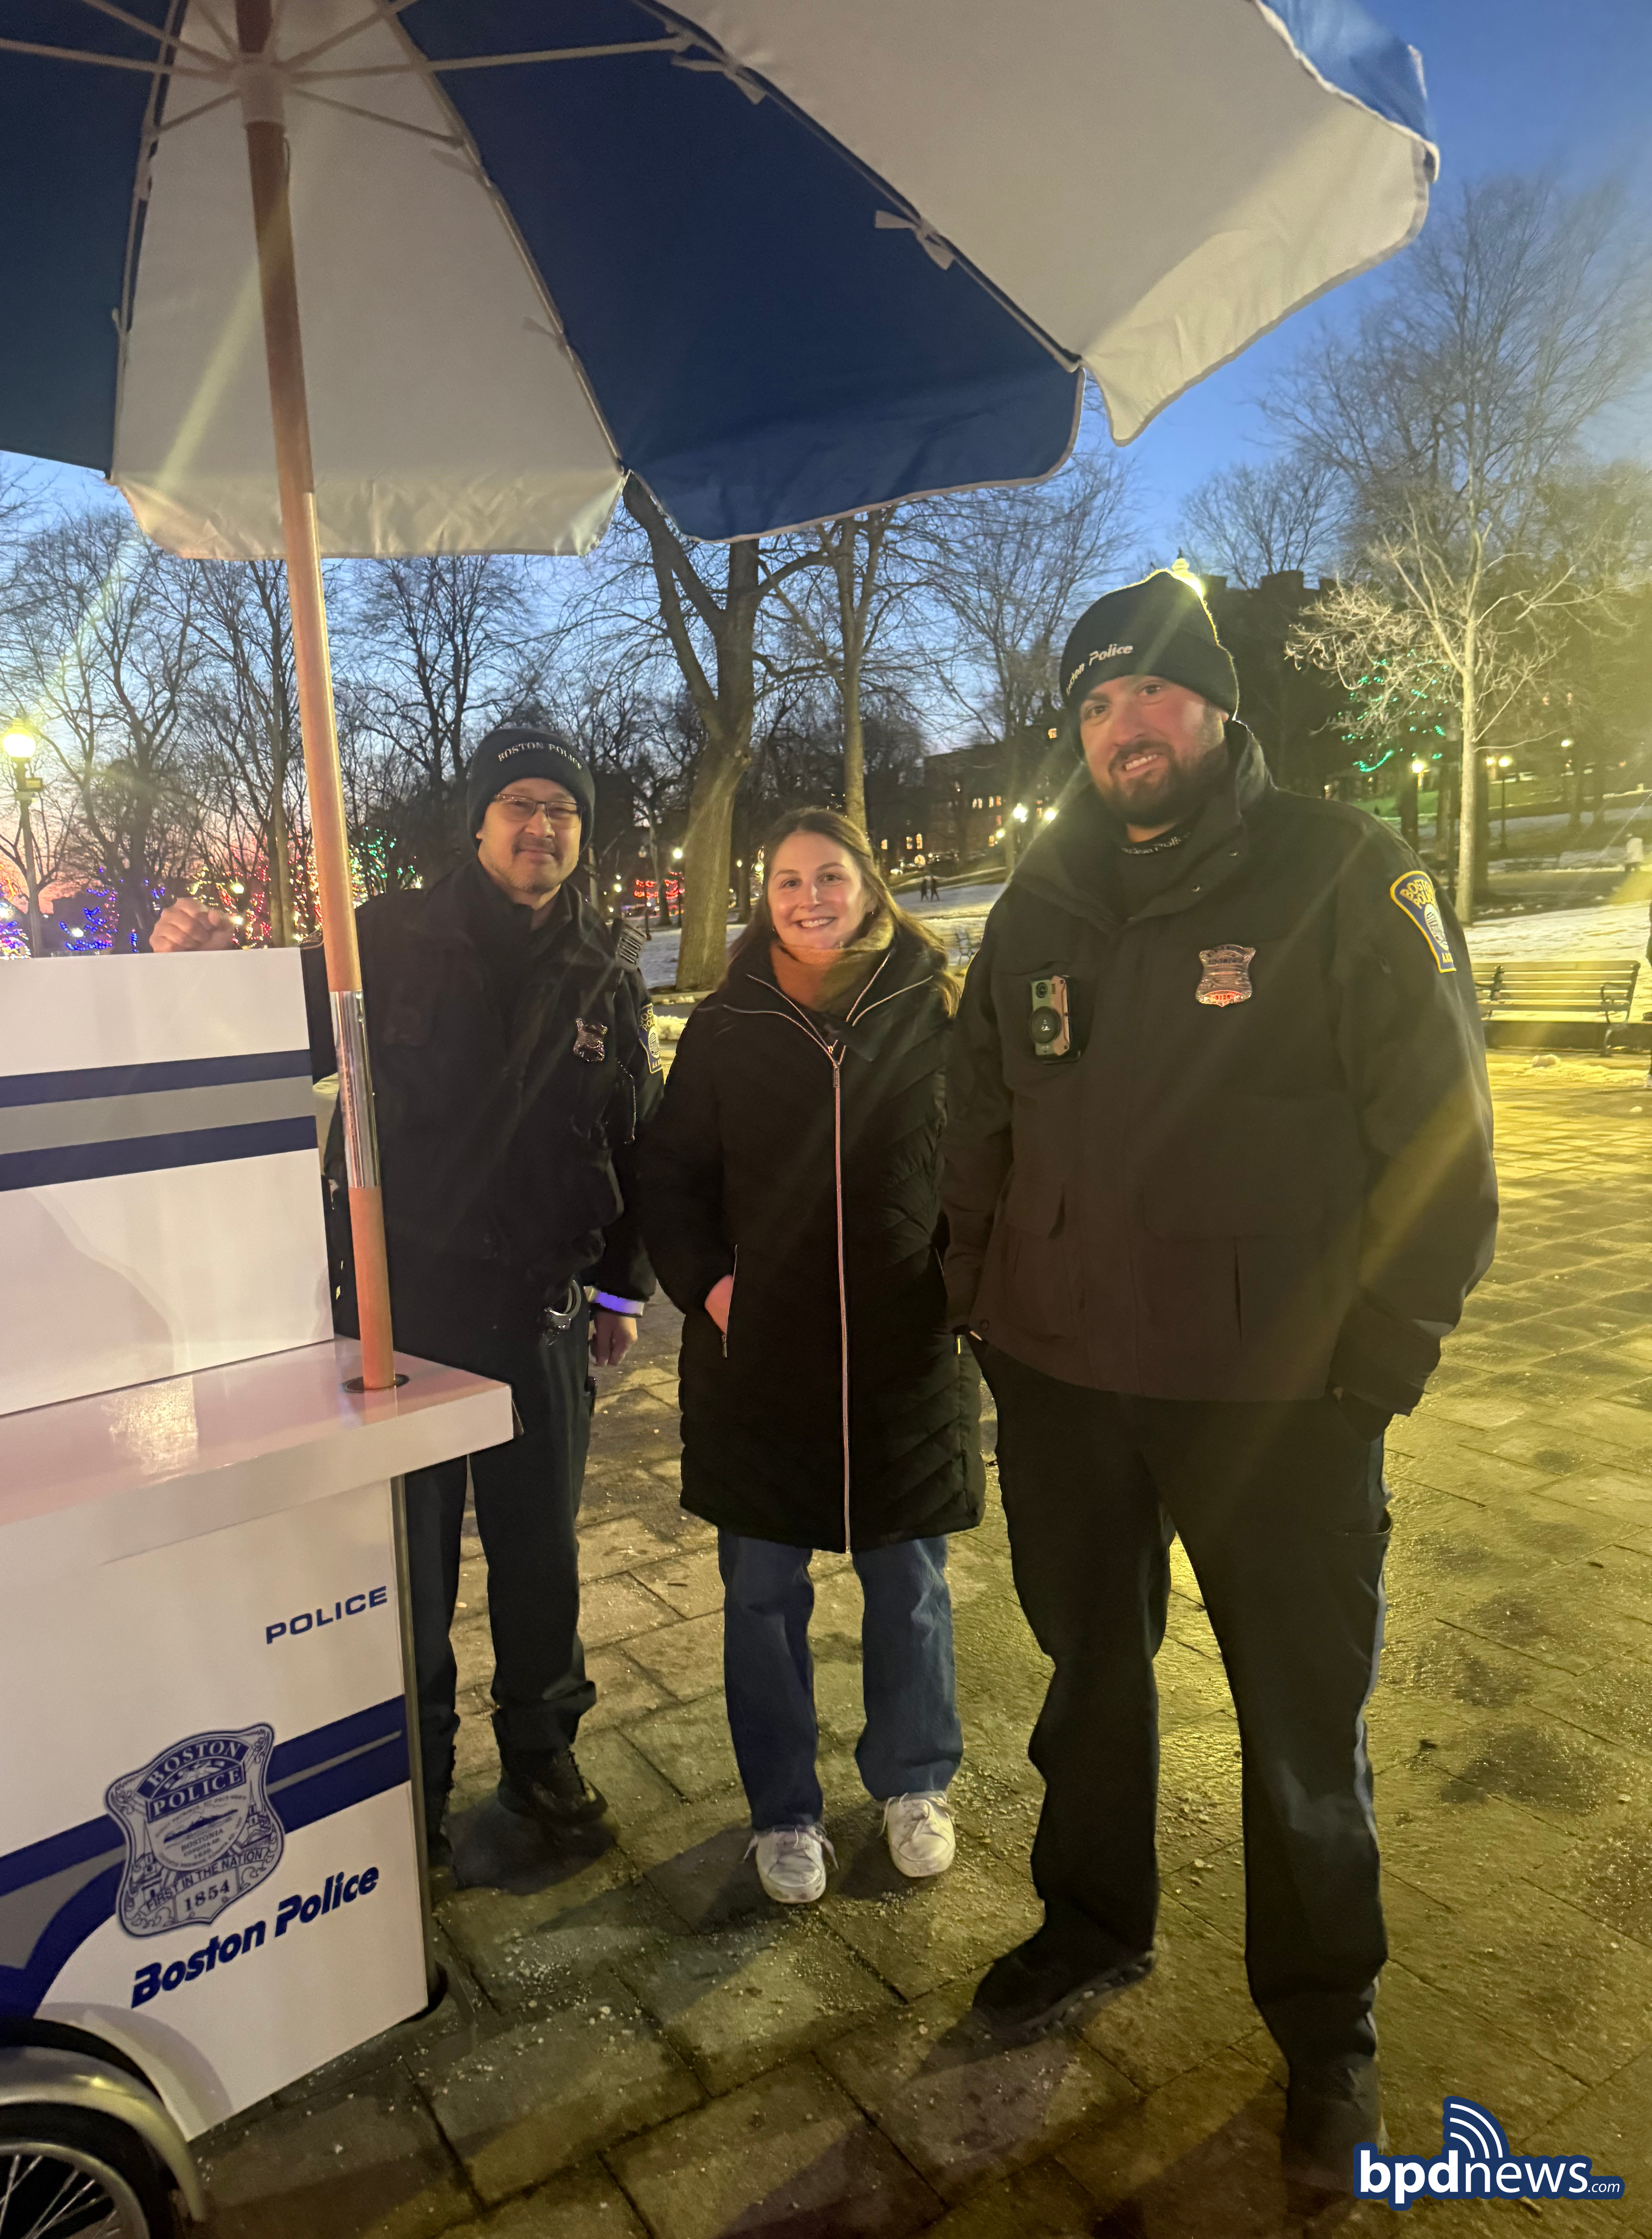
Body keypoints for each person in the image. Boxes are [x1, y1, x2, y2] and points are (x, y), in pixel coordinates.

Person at [942, 571, 1497, 2191]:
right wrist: (979, 1301)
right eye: (1100, 705)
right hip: (1065, 1391)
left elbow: (1446, 1135)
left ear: (1218, 707)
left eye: (1156, 696)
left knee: (1301, 1735)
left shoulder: (1343, 871)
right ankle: (1093, 1922)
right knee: (1088, 1687)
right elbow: (977, 1114)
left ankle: (1328, 2033)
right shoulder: (1036, 902)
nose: (1128, 727)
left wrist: (1385, 1352)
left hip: (1282, 1407)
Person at [151, 727, 659, 1869]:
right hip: (403, 1314)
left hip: (541, 1314)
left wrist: (622, 1290)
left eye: (562, 810)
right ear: (479, 825)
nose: (542, 827)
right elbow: (250, 1036)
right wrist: (194, 957)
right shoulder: (384, 940)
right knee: (408, 1570)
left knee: (541, 1559)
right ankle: (413, 1778)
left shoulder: (608, 961)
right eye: (520, 805)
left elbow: (636, 1136)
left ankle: (541, 1753)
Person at [641, 810, 984, 1904]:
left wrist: (964, 1284)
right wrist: (713, 1287)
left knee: (911, 1585)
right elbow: (670, 1178)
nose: (808, 898)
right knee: (759, 1594)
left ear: (870, 886)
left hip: (902, 1354)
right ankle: (784, 1811)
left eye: (829, 875)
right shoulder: (726, 1025)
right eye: (786, 881)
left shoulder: (933, 1006)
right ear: (764, 898)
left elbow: (992, 1156)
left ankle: (913, 1780)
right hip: (763, 1367)